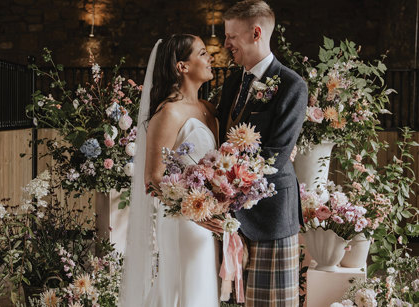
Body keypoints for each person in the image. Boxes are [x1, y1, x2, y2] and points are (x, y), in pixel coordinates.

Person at [213, 1, 307, 305]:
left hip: (271, 217)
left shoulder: (292, 85)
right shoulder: (232, 84)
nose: (225, 43)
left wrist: (225, 182)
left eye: (231, 36)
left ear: (256, 33)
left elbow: (276, 155)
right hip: (231, 218)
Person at [119, 34, 220, 307]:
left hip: (209, 216)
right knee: (184, 290)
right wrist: (194, 213)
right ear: (182, 66)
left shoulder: (209, 109)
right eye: (202, 53)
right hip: (184, 221)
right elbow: (152, 179)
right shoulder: (169, 113)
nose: (210, 58)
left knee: (202, 288)